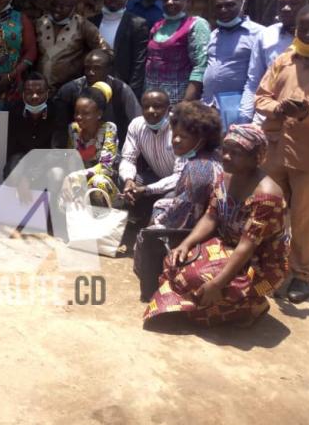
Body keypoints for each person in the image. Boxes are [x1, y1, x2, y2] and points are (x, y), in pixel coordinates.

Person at [144, 124, 289, 327]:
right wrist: (185, 244)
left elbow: (248, 245)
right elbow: (211, 217)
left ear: (257, 158)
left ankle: (253, 306)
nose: (227, 157)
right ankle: (202, 306)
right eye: (225, 150)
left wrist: (217, 284)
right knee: (174, 261)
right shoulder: (225, 176)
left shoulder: (267, 195)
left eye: (236, 153)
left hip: (259, 261)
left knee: (202, 281)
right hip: (227, 244)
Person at [255, 2, 309, 303]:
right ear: (296, 28)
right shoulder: (283, 61)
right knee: (267, 211)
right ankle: (265, 266)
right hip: (274, 152)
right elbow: (261, 97)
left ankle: (302, 275)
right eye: (304, 27)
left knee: (305, 219)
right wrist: (278, 107)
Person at [133, 101, 223, 300]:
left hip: (196, 231)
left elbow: (183, 216)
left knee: (151, 228)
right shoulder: (213, 158)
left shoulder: (197, 169)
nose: (176, 140)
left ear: (201, 139)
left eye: (184, 136)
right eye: (175, 134)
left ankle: (154, 286)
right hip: (207, 222)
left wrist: (155, 220)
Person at [239, 0, 309, 123]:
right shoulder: (266, 35)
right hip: (267, 120)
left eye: (294, 3)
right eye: (282, 4)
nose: (286, 8)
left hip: (308, 124)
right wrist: (245, 118)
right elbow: (254, 80)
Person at [201, 0, 262, 126]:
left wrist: (246, 112)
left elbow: (259, 77)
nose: (223, 10)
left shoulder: (259, 34)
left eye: (229, 5)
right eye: (219, 6)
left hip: (239, 110)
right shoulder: (214, 34)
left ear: (243, 5)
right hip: (209, 108)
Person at [56, 49, 141, 149]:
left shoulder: (121, 90)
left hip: (115, 149)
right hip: (79, 150)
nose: (91, 72)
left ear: (109, 70)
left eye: (97, 68)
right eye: (87, 68)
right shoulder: (71, 90)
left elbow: (138, 122)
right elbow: (59, 130)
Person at [119, 89, 183, 223]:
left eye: (157, 106)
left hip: (179, 184)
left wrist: (147, 189)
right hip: (155, 178)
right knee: (125, 181)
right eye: (146, 107)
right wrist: (128, 180)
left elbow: (179, 176)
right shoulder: (137, 125)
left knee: (171, 195)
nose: (150, 110)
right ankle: (137, 220)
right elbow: (128, 159)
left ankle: (158, 235)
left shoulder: (179, 128)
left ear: (168, 109)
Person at [144, 0, 211, 105]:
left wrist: (186, 102)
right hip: (152, 97)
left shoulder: (195, 25)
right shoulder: (157, 26)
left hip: (178, 99)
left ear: (188, 2)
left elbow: (200, 66)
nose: (170, 2)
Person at [35, 0, 109, 92]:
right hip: (39, 91)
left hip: (68, 91)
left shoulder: (83, 26)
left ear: (73, 8)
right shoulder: (40, 23)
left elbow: (105, 51)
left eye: (62, 7)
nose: (56, 9)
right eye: (54, 5)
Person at [89, 0, 149, 99]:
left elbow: (139, 63)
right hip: (93, 85)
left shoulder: (137, 24)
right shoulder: (92, 22)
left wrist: (131, 94)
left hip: (121, 88)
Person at [5, 71, 69, 177]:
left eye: (40, 92)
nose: (34, 96)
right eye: (29, 92)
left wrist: (42, 165)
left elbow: (58, 148)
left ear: (48, 93)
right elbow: (12, 149)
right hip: (23, 158)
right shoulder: (14, 111)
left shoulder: (59, 110)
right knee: (13, 168)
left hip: (48, 159)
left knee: (57, 174)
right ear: (23, 94)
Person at [64, 83, 120, 200]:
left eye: (85, 113)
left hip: (107, 186)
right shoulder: (73, 129)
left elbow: (105, 167)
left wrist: (77, 175)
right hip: (81, 182)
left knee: (98, 181)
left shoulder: (109, 129)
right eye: (77, 112)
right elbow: (72, 161)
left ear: (99, 114)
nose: (79, 117)